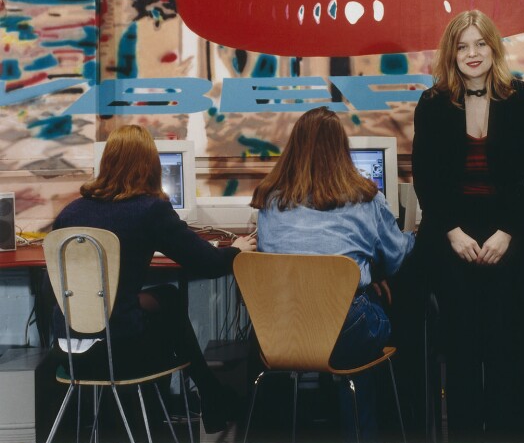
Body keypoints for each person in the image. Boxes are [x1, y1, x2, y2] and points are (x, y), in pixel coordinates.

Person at [51, 124, 257, 434]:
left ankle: (209, 395)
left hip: (68, 354)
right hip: (118, 355)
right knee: (170, 306)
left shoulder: (70, 213)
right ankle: (209, 395)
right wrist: (236, 249)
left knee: (166, 297)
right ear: (150, 165)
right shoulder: (150, 210)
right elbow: (209, 263)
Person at [412, 9, 524, 440]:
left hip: (510, 227)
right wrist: (452, 232)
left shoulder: (523, 98)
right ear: (451, 54)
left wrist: (507, 232)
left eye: (480, 44)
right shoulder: (432, 103)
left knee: (509, 336)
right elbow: (426, 178)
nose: (472, 53)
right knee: (462, 341)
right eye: (462, 46)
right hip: (450, 229)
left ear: (493, 48)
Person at [250, 106, 415, 441]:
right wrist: (409, 239)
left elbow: (274, 257)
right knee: (373, 321)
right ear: (342, 150)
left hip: (282, 329)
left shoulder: (269, 200)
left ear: (294, 148)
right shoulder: (366, 198)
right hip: (345, 332)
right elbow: (397, 258)